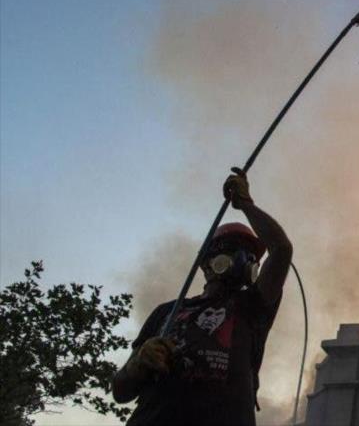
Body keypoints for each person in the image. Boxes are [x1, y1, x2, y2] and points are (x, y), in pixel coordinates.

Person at [112, 168, 292, 425]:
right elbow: (121, 392)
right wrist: (138, 364)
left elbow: (282, 249)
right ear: (206, 264)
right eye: (230, 250)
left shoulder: (252, 306)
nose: (243, 259)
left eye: (250, 255)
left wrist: (246, 205)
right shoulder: (166, 312)